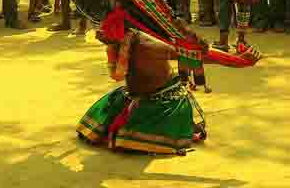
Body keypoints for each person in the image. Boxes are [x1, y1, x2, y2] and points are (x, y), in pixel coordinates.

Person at [77, 10, 207, 154]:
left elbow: (194, 54)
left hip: (164, 101)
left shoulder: (149, 44)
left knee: (130, 138)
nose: (98, 33)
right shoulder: (120, 42)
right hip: (134, 93)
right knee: (97, 123)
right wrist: (112, 47)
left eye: (104, 29)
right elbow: (117, 75)